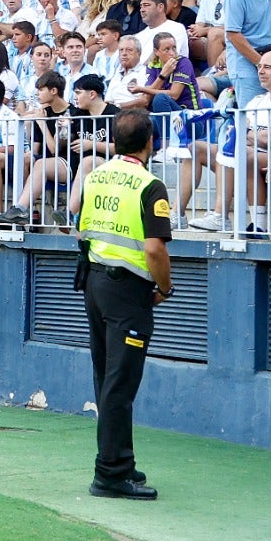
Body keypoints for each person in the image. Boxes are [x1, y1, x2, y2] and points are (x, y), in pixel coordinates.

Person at [73, 109, 172, 501]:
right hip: (128, 290)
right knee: (121, 382)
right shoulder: (151, 185)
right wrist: (165, 287)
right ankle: (111, 473)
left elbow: (79, 223)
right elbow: (154, 248)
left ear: (114, 142)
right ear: (150, 143)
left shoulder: (96, 174)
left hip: (95, 282)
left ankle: (119, 461)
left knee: (107, 378)